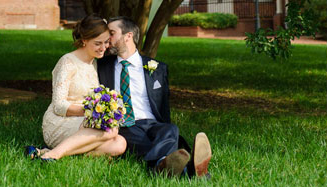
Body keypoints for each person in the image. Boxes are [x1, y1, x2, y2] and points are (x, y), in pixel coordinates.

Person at [97, 16, 212, 178]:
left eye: (112, 33)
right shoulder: (102, 66)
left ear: (128, 36)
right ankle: (187, 171)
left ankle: (164, 166)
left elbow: (163, 105)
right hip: (125, 124)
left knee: (170, 129)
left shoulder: (158, 68)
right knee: (146, 139)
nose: (107, 38)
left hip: (153, 123)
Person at [27, 15, 127, 160]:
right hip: (60, 121)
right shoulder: (67, 62)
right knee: (111, 132)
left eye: (106, 42)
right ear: (84, 40)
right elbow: (59, 106)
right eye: (98, 43)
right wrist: (92, 112)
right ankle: (54, 155)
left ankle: (45, 152)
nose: (103, 48)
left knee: (120, 144)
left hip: (86, 121)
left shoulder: (94, 63)